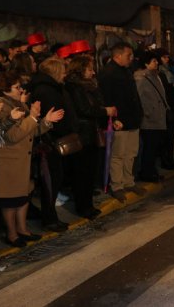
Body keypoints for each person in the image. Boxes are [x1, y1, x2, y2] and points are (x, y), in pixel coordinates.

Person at [0, 71, 64, 246]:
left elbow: (31, 131)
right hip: (9, 161)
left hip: (22, 159)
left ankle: (23, 229)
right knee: (10, 201)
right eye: (16, 87)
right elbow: (12, 136)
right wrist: (32, 116)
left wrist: (46, 121)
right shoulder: (2, 106)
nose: (21, 90)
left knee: (23, 196)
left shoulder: (17, 103)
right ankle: (12, 234)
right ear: (6, 89)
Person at [30, 57, 79, 232]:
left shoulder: (49, 88)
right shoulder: (48, 91)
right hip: (49, 144)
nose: (65, 74)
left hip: (49, 142)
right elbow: (55, 119)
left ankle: (51, 217)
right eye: (63, 70)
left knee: (53, 181)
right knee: (51, 182)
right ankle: (49, 219)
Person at [65, 55, 116, 219]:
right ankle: (83, 207)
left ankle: (88, 204)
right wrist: (104, 111)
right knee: (82, 173)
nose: (93, 72)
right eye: (89, 69)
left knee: (90, 172)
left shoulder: (89, 86)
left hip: (91, 132)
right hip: (82, 134)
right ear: (80, 70)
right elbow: (84, 109)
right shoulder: (74, 87)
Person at [97, 42, 145, 202]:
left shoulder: (126, 70)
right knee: (118, 155)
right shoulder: (107, 73)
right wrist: (114, 119)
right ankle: (117, 186)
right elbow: (105, 99)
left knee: (131, 153)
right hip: (119, 121)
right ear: (117, 56)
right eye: (128, 55)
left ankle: (128, 181)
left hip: (132, 120)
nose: (131, 58)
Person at [134, 52, 168, 182]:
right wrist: (148, 112)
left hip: (157, 116)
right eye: (154, 61)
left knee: (154, 147)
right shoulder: (142, 78)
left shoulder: (155, 76)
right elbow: (140, 98)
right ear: (146, 63)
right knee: (149, 147)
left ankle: (151, 170)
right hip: (149, 119)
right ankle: (146, 172)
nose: (157, 63)